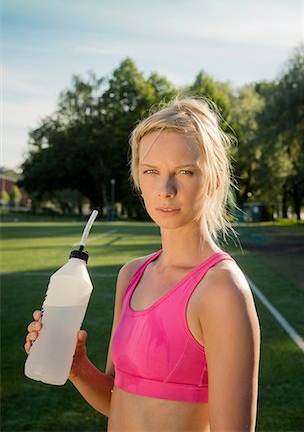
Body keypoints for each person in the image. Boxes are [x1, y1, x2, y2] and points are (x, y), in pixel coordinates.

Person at [25, 97, 260, 432]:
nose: (165, 189)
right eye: (152, 171)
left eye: (184, 171)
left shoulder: (221, 289)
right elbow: (118, 398)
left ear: (215, 178)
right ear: (138, 178)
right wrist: (77, 367)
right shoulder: (132, 275)